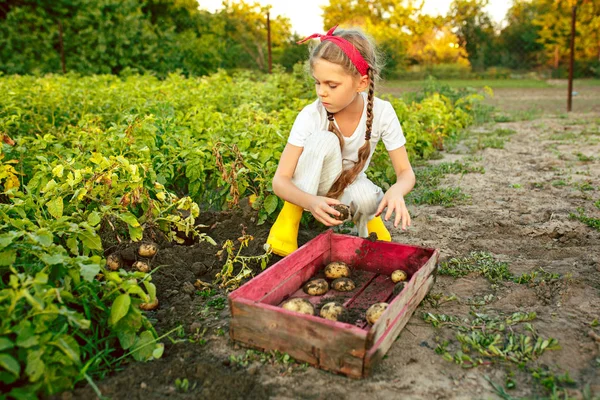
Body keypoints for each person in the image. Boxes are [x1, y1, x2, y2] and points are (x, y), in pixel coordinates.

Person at [266, 25, 415, 257]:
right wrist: (310, 201)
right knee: (323, 140)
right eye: (317, 83)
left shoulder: (382, 112)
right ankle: (289, 218)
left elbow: (405, 171)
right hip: (311, 189)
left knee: (368, 199)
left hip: (348, 188)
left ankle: (370, 228)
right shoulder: (311, 115)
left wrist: (396, 190)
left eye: (331, 85)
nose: (321, 92)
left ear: (361, 83)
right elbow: (280, 180)